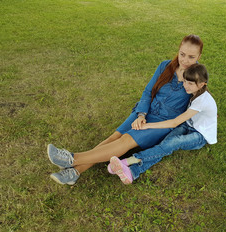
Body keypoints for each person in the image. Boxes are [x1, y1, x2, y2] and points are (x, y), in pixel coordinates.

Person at [48, 35, 204, 185]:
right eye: (182, 54)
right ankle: (74, 173)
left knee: (126, 140)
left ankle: (72, 159)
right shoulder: (165, 66)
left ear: (199, 56)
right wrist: (141, 114)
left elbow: (203, 102)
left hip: (162, 123)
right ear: (178, 50)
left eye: (191, 57)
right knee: (113, 138)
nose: (185, 60)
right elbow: (148, 92)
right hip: (146, 111)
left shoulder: (197, 79)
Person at [108, 63, 217, 184]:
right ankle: (132, 173)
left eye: (190, 83)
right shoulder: (195, 93)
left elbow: (175, 122)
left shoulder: (202, 100)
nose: (185, 86)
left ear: (201, 84)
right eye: (185, 81)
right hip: (188, 125)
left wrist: (147, 125)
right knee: (164, 145)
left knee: (171, 143)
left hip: (200, 135)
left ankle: (128, 161)